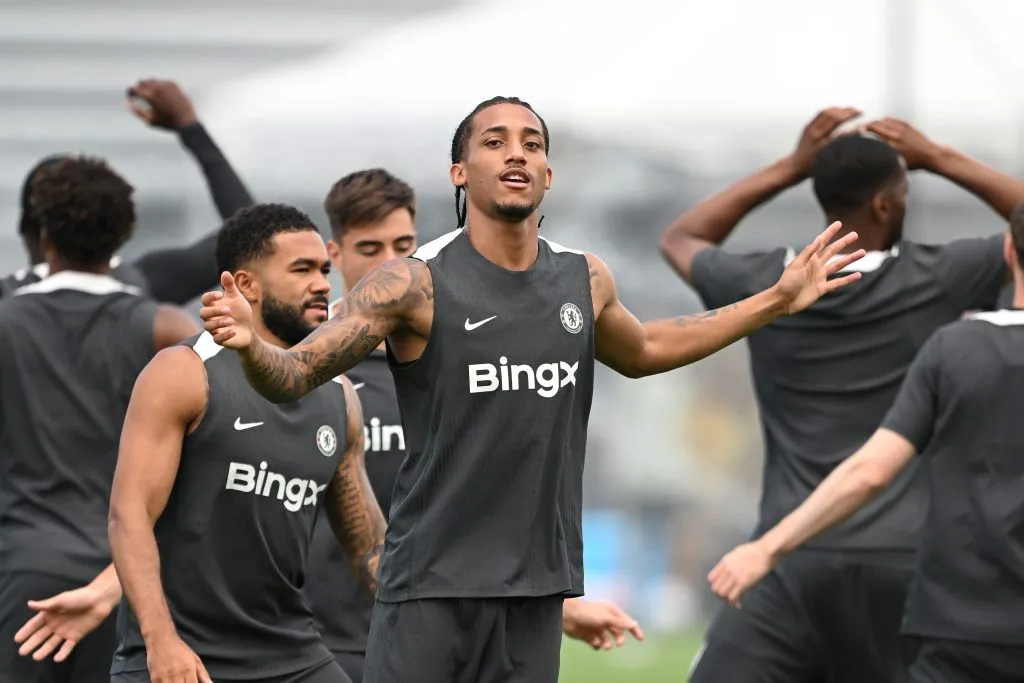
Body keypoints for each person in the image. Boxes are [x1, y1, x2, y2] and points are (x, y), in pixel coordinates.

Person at [199, 96, 866, 683]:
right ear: (460, 172)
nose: (516, 153)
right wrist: (251, 344)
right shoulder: (412, 283)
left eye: (532, 143)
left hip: (535, 595)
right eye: (495, 141)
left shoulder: (584, 278)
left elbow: (648, 348)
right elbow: (295, 373)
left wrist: (775, 300)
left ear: (548, 173)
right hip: (430, 591)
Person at [659, 109, 1024, 683]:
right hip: (903, 569)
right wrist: (939, 157)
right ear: (885, 204)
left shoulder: (771, 287)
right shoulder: (940, 276)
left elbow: (679, 238)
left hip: (786, 560)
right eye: (903, 189)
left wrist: (790, 166)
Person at [307, 168, 645, 682]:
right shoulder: (314, 367)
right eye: (370, 248)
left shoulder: (451, 361)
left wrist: (563, 610)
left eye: (403, 244)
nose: (390, 261)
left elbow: (478, 514)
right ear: (336, 255)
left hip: (439, 626)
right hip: (326, 642)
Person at [107, 203, 387, 683]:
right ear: (246, 285)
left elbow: (369, 549)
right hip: (184, 656)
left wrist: (439, 623)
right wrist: (160, 641)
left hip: (293, 655)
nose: (323, 283)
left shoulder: (339, 396)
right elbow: (128, 517)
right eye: (301, 270)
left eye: (324, 269)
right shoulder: (184, 372)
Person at [0, 156, 199, 683]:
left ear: (44, 239)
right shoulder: (165, 326)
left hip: (23, 568)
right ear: (123, 238)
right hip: (134, 575)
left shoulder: (5, 320)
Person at [1, 78, 254, 302]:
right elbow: (253, 235)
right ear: (119, 230)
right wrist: (189, 125)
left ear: (27, 230)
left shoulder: (8, 303)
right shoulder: (144, 293)